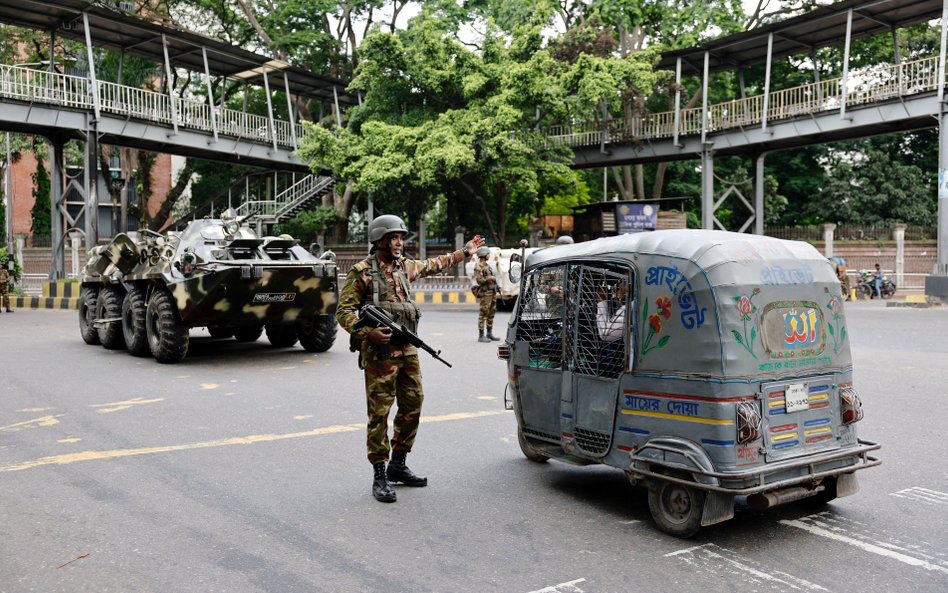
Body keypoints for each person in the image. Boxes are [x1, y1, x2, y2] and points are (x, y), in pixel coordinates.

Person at [336, 214, 484, 503]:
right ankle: (379, 473)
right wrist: (367, 332)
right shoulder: (362, 272)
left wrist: (464, 252)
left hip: (407, 351)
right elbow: (343, 311)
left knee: (413, 403)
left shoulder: (404, 267)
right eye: (395, 238)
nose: (400, 243)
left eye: (401, 238)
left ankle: (398, 464)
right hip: (380, 354)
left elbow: (434, 265)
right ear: (380, 240)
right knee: (379, 413)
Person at [474, 246, 499, 342]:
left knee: (491, 312)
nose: (489, 255)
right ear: (484, 255)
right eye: (488, 254)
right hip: (485, 294)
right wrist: (490, 278)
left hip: (491, 292)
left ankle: (489, 333)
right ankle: (481, 335)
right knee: (483, 313)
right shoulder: (478, 266)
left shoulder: (487, 265)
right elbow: (479, 281)